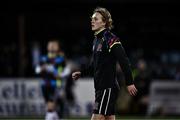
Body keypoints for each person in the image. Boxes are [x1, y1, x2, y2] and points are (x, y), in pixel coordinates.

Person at [72, 7, 137, 120]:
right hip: (101, 88)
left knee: (97, 117)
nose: (92, 21)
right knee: (108, 118)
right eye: (92, 19)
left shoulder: (110, 38)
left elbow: (124, 60)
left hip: (108, 87)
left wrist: (129, 82)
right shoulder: (96, 40)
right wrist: (81, 73)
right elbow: (94, 64)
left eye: (96, 19)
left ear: (104, 22)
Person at [35, 40, 69, 120]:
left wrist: (60, 75)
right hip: (44, 84)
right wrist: (41, 69)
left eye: (54, 45)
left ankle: (50, 117)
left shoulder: (60, 59)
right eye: (50, 45)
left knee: (51, 105)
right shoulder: (43, 58)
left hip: (55, 84)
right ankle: (56, 117)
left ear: (58, 47)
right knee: (50, 104)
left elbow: (67, 70)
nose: (52, 46)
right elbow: (37, 69)